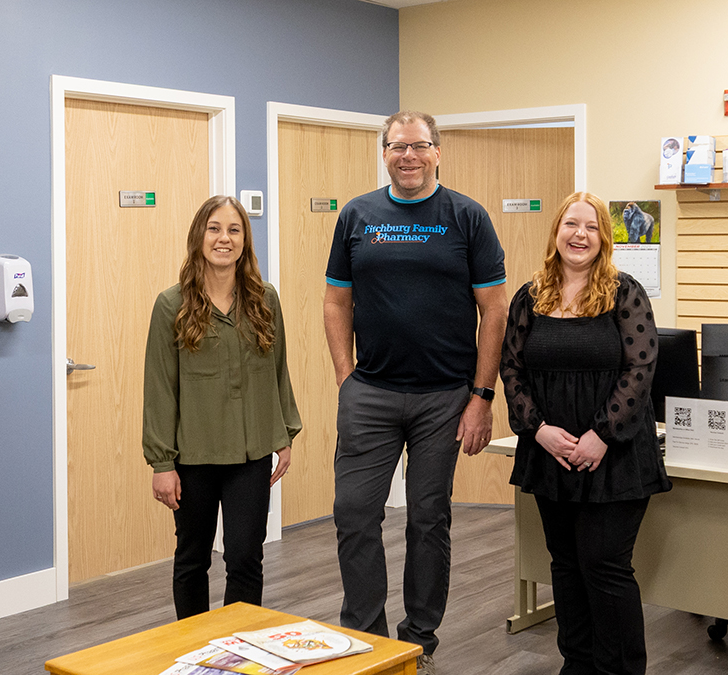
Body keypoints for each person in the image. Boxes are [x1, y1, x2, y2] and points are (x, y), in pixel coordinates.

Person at [323, 110, 508, 674]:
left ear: (437, 152)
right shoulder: (357, 215)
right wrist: (344, 376)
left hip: (444, 398)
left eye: (419, 146)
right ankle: (367, 639)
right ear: (384, 152)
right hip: (370, 394)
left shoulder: (466, 217)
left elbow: (494, 309)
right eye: (397, 146)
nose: (408, 156)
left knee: (429, 518)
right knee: (355, 514)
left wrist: (482, 396)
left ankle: (418, 639)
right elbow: (336, 301)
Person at [499, 191, 672, 675]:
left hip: (613, 455)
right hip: (551, 452)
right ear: (556, 232)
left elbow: (641, 368)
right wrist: (539, 430)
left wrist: (602, 434)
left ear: (605, 237)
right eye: (571, 224)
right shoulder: (530, 296)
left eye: (592, 226)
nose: (581, 235)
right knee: (566, 565)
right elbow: (511, 368)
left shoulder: (625, 292)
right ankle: (577, 665)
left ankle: (619, 670)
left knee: (605, 566)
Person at [143, 194, 301, 619]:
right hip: (193, 456)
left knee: (246, 559)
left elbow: (278, 370)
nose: (224, 238)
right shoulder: (171, 305)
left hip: (250, 456)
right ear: (199, 236)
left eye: (234, 230)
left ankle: (239, 650)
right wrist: (162, 463)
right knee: (193, 559)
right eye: (214, 228)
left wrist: (283, 433)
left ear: (245, 241)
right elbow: (160, 387)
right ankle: (197, 652)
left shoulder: (265, 299)